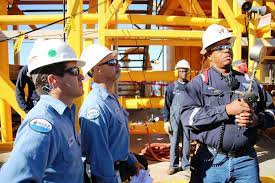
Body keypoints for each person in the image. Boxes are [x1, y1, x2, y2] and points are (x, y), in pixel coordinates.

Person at [179, 24, 275, 183]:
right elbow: (188, 118)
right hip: (211, 162)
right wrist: (227, 110)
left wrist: (257, 120)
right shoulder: (198, 85)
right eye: (220, 47)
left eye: (228, 45)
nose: (226, 50)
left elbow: (272, 111)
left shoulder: (248, 81)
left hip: (246, 161)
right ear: (209, 54)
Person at [0, 39, 86, 183]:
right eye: (74, 71)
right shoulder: (43, 125)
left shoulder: (64, 116)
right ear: (53, 80)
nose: (82, 76)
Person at [79, 44, 148, 183]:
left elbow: (117, 140)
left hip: (120, 169)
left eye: (117, 61)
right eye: (111, 62)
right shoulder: (95, 106)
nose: (118, 65)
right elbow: (99, 159)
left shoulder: (111, 99)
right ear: (97, 69)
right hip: (109, 175)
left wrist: (132, 160)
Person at [163, 59, 191, 175]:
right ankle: (173, 166)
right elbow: (166, 105)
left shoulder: (191, 86)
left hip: (187, 118)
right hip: (174, 119)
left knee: (187, 142)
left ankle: (186, 165)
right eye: (182, 71)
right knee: (174, 142)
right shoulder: (171, 88)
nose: (184, 73)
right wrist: (166, 121)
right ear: (177, 72)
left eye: (186, 71)